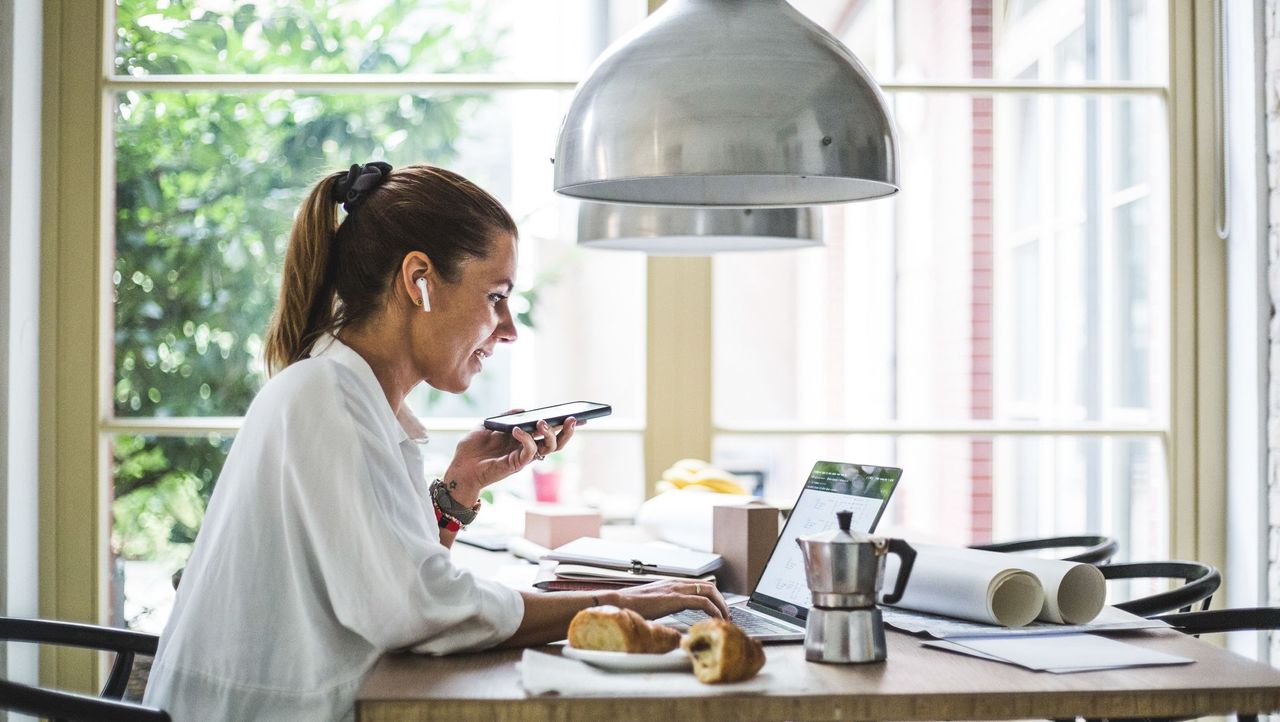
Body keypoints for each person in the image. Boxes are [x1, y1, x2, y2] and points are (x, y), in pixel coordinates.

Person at [143, 162, 729, 721]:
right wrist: (623, 604)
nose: (509, 330)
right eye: (496, 296)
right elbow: (415, 610)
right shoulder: (326, 400)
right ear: (419, 280)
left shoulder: (352, 398)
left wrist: (460, 489)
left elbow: (401, 584)